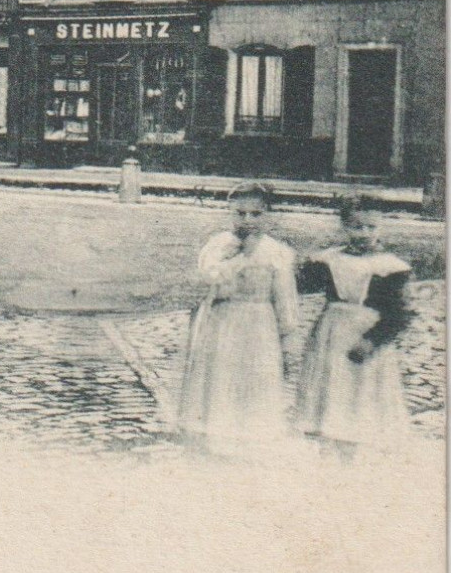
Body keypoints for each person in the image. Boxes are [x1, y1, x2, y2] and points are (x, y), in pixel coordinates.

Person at [175, 182, 301, 454]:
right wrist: (237, 258)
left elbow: (285, 297)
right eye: (240, 213)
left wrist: (287, 335)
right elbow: (209, 281)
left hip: (260, 325)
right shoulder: (218, 246)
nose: (247, 220)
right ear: (230, 212)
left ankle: (252, 443)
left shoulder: (276, 252)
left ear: (267, 214)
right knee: (221, 380)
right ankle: (216, 442)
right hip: (223, 322)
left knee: (255, 380)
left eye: (255, 214)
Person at [294, 194, 415, 454]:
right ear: (344, 226)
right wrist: (305, 264)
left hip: (365, 333)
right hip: (332, 333)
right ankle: (329, 446)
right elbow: (303, 285)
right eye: (356, 226)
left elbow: (398, 314)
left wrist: (372, 340)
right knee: (331, 388)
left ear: (380, 227)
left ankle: (355, 452)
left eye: (371, 227)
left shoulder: (390, 268)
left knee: (361, 393)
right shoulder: (330, 260)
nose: (364, 233)